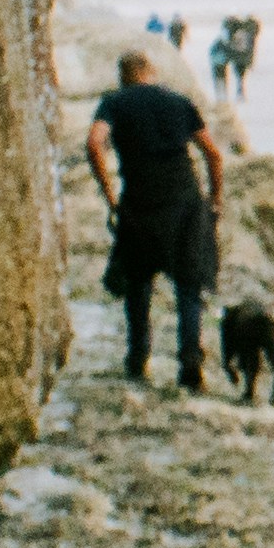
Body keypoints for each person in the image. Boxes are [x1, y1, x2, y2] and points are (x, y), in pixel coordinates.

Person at [83, 50, 224, 390]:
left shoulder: (114, 104)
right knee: (189, 286)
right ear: (152, 71)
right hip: (184, 202)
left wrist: (109, 194)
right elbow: (212, 154)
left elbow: (93, 143)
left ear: (123, 75)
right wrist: (215, 199)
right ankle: (190, 363)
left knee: (138, 284)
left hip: (140, 201)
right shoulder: (178, 101)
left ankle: (137, 359)